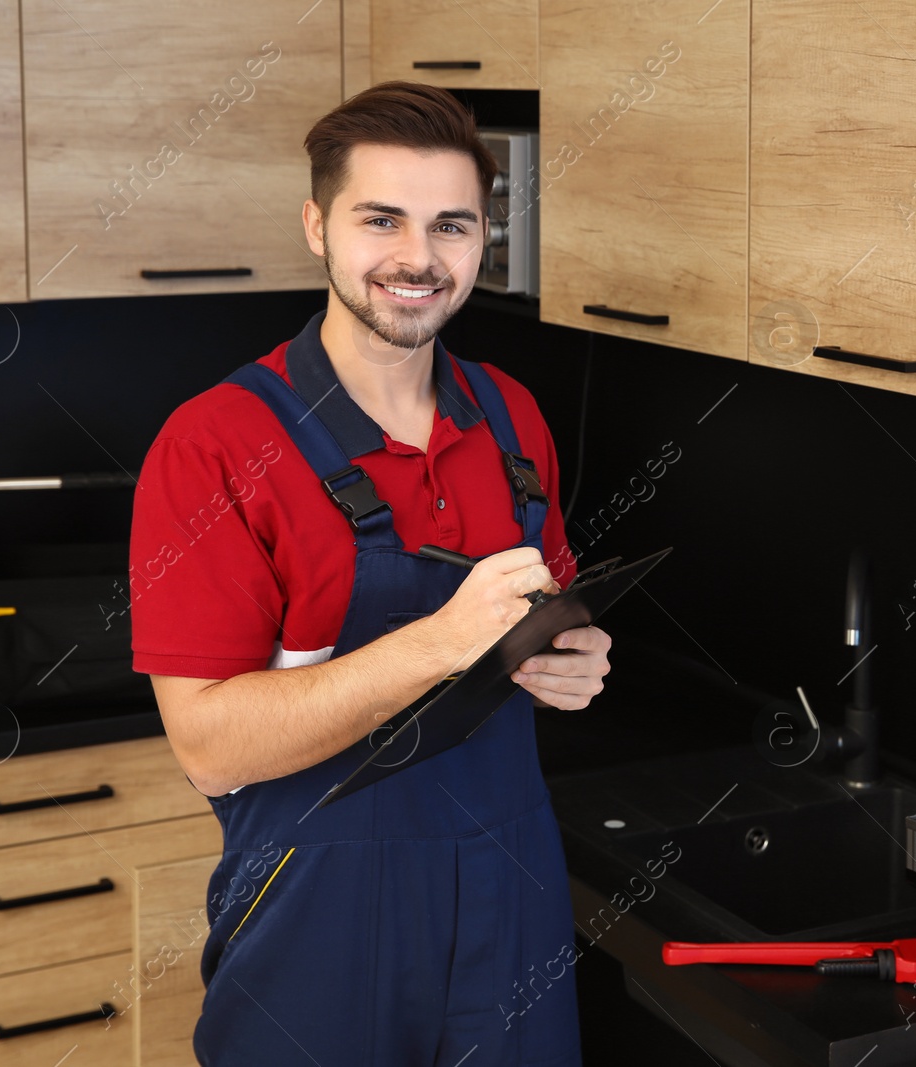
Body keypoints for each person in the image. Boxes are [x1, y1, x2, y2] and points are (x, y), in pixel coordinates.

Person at [129, 81, 611, 1066]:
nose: (417, 259)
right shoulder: (217, 443)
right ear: (317, 225)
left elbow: (546, 603)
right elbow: (211, 747)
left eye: (452, 225)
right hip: (318, 917)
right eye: (380, 219)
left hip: (511, 888)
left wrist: (571, 651)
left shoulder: (511, 415)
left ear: (485, 238)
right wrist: (438, 641)